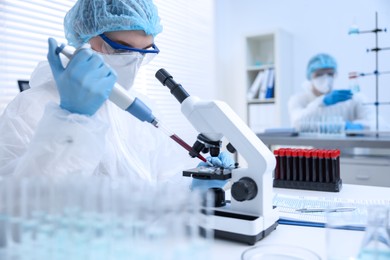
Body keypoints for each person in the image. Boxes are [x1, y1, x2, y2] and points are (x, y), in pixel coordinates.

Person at [0, 0, 233, 186]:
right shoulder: (30, 108)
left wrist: (193, 187)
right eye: (122, 48)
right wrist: (70, 121)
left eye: (143, 52)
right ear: (84, 38)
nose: (134, 61)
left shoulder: (142, 106)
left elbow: (160, 182)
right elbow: (15, 205)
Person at [288, 53, 375, 132]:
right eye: (319, 74)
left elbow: (377, 124)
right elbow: (297, 123)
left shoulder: (349, 99)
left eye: (330, 74)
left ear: (335, 75)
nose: (325, 78)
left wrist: (359, 126)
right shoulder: (298, 100)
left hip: (343, 149)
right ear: (310, 76)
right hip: (311, 149)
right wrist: (321, 102)